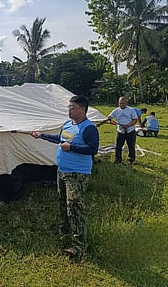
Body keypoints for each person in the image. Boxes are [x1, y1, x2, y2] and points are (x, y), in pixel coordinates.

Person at [30, 95, 99, 259]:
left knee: (75, 206)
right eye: (68, 107)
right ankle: (64, 229)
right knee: (63, 202)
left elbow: (92, 149)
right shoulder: (68, 124)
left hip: (77, 173)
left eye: (72, 107)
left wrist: (72, 147)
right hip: (62, 170)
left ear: (82, 109)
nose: (69, 110)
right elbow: (59, 140)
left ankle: (79, 246)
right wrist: (42, 135)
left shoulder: (89, 128)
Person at [107, 96, 138, 164]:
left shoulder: (131, 110)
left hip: (130, 131)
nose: (121, 105)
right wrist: (111, 121)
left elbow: (135, 120)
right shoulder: (116, 110)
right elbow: (109, 118)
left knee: (131, 146)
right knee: (118, 146)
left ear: (126, 103)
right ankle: (118, 159)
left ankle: (131, 160)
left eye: (123, 103)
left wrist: (128, 125)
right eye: (120, 103)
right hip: (120, 131)